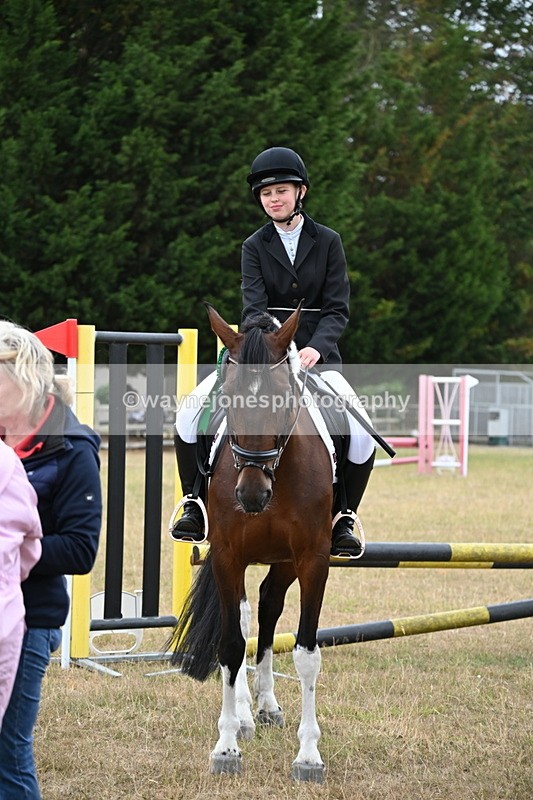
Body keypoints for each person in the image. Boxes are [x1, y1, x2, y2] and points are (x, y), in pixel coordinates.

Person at [172, 147, 375, 557]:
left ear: (300, 192)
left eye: (281, 191)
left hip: (317, 355)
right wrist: (275, 347)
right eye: (266, 194)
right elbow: (252, 310)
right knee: (190, 412)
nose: (274, 199)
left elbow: (338, 308)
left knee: (362, 431)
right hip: (262, 355)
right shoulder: (254, 245)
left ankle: (345, 515)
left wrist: (316, 347)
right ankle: (194, 502)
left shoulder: (329, 241)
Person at [0, 321, 102, 799]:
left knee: (8, 750)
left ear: (24, 379)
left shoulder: (72, 449)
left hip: (32, 618)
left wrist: (11, 553)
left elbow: (80, 550)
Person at [0, 440, 42, 730]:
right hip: (6, 615)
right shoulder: (8, 461)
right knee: (188, 420)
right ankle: (192, 498)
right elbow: (29, 552)